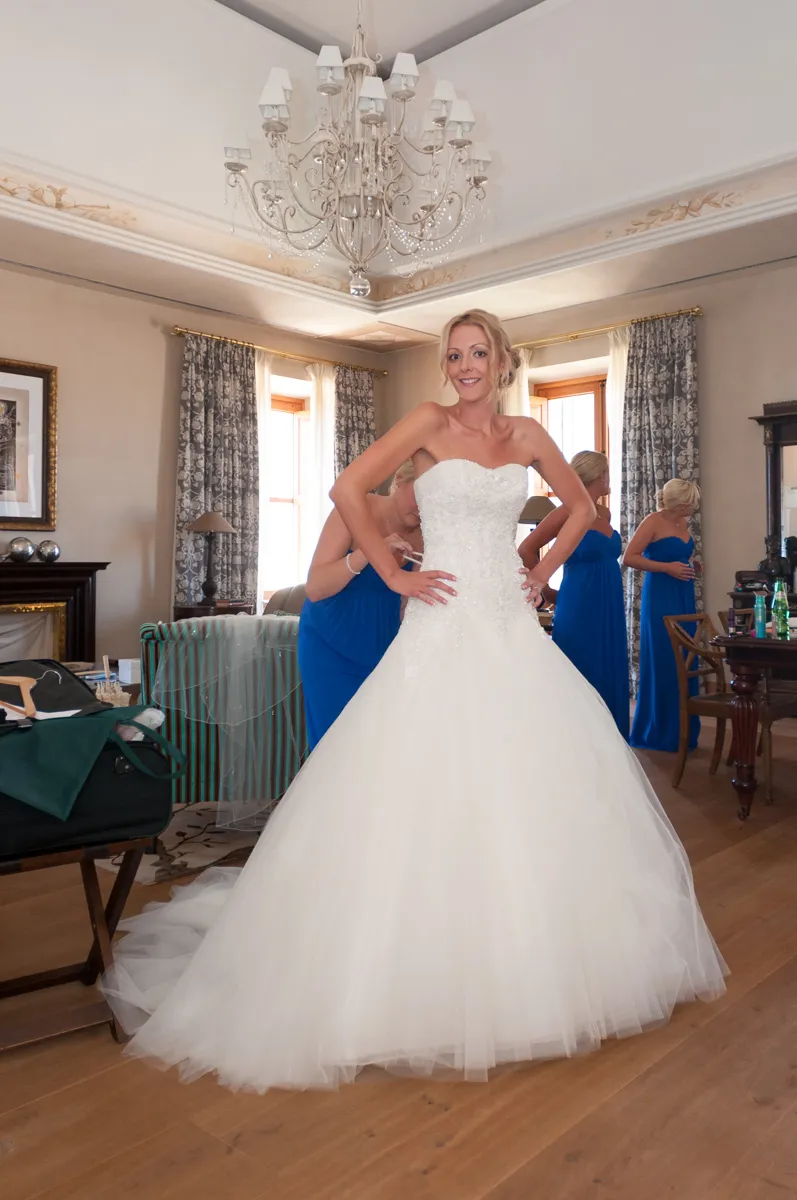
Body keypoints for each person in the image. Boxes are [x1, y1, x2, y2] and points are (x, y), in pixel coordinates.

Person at [102, 311, 726, 1093]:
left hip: (506, 620)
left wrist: (539, 571)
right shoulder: (428, 424)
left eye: (477, 354)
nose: (465, 366)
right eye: (454, 355)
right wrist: (393, 574)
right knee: (417, 777)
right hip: (438, 620)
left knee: (525, 781)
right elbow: (347, 486)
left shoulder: (528, 435)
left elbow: (579, 511)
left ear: (500, 361)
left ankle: (527, 959)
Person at [298, 460, 421, 748]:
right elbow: (315, 587)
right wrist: (370, 551)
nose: (422, 508)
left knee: (378, 748)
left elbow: (407, 607)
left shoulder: (424, 530)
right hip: (330, 646)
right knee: (334, 748)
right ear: (400, 479)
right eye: (420, 496)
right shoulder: (355, 509)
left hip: (383, 648)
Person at [519, 451, 629, 739]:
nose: (609, 480)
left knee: (608, 667)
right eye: (606, 473)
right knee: (580, 668)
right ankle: (577, 741)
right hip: (579, 604)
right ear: (596, 476)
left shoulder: (604, 513)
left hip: (610, 603)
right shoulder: (566, 512)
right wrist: (546, 590)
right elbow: (526, 549)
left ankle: (612, 740)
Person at [623, 479, 702, 753]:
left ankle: (684, 730)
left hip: (684, 594)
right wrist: (666, 568)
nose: (693, 506)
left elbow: (679, 556)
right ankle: (659, 731)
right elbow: (630, 557)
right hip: (660, 597)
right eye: (690, 502)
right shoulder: (653, 522)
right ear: (679, 503)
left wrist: (693, 565)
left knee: (686, 656)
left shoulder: (683, 523)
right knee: (665, 658)